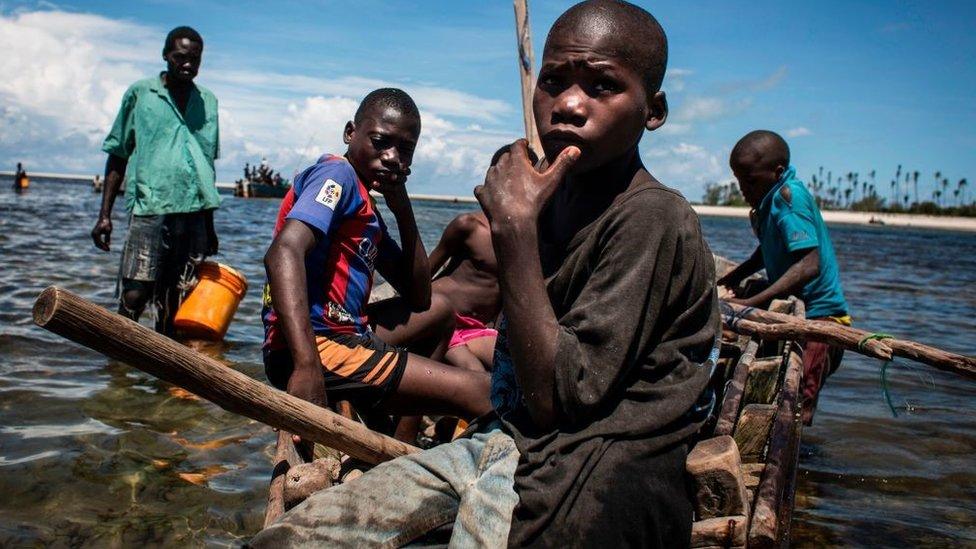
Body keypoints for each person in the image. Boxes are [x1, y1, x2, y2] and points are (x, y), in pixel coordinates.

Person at [252, 2, 719, 546]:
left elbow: (560, 400)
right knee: (290, 538)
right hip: (499, 436)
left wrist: (515, 227)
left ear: (653, 110)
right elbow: (430, 299)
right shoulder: (546, 206)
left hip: (577, 452)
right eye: (553, 81)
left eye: (601, 87)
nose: (569, 104)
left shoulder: (654, 216)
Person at [261, 88, 491, 446]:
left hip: (347, 333)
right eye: (381, 142)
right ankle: (401, 442)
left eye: (404, 150)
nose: (392, 157)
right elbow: (284, 252)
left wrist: (403, 209)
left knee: (442, 311)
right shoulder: (336, 176)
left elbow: (419, 296)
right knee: (481, 392)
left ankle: (402, 437)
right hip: (310, 345)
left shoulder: (366, 206)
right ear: (350, 133)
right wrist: (306, 367)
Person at [90, 26, 220, 336]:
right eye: (180, 57)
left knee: (177, 298)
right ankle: (119, 372)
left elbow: (207, 166)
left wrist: (211, 228)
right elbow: (118, 153)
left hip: (194, 212)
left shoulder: (208, 101)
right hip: (150, 207)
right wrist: (104, 216)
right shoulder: (141, 94)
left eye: (195, 59)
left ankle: (164, 377)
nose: (187, 64)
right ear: (165, 56)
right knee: (136, 292)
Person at [717, 130, 850, 425]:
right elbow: (763, 254)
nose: (743, 189)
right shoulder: (768, 200)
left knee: (798, 408)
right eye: (739, 181)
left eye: (750, 181)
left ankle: (793, 464)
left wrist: (750, 302)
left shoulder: (788, 197)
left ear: (777, 172)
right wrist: (726, 282)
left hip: (820, 321)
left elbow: (808, 265)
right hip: (802, 312)